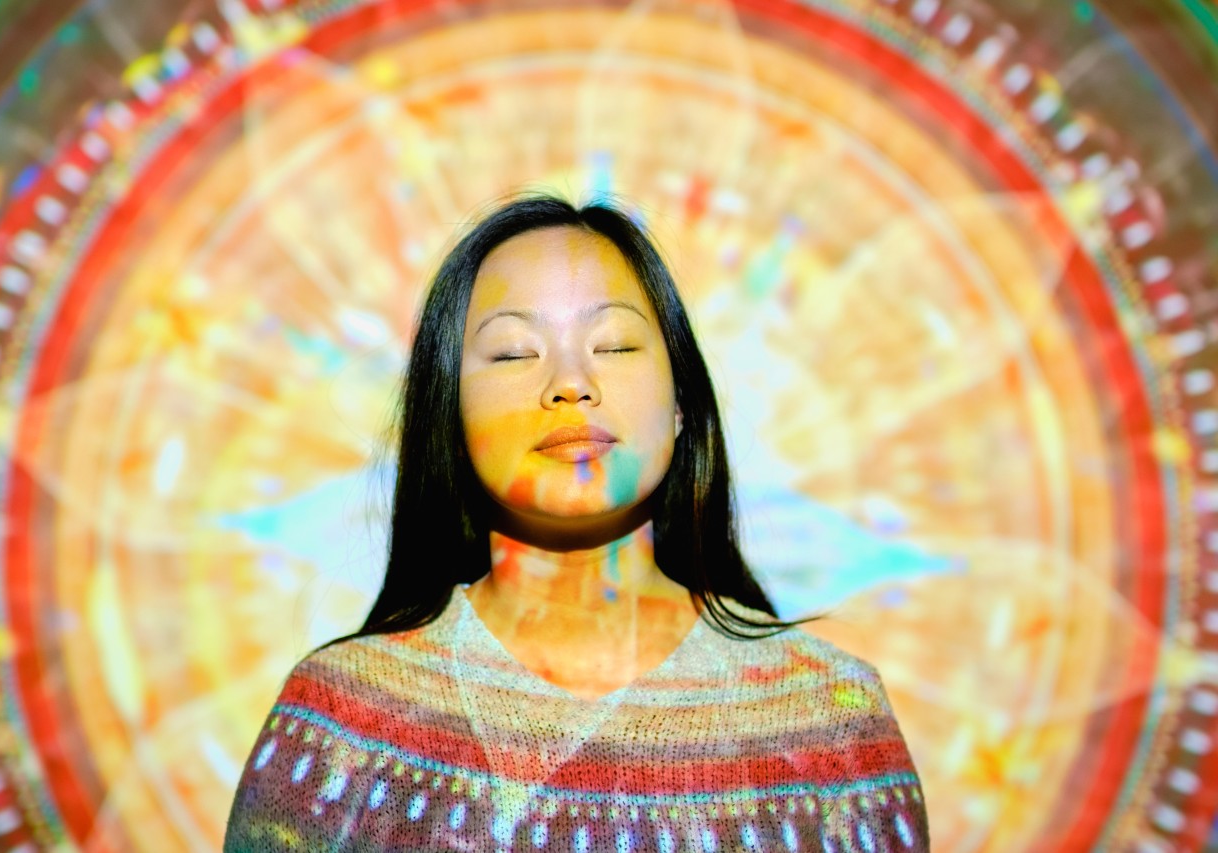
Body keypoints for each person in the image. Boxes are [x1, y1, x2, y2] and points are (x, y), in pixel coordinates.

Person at [223, 194, 931, 852]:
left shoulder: (832, 721)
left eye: (616, 345)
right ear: (451, 416)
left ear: (683, 402)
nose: (570, 382)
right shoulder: (337, 724)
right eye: (512, 352)